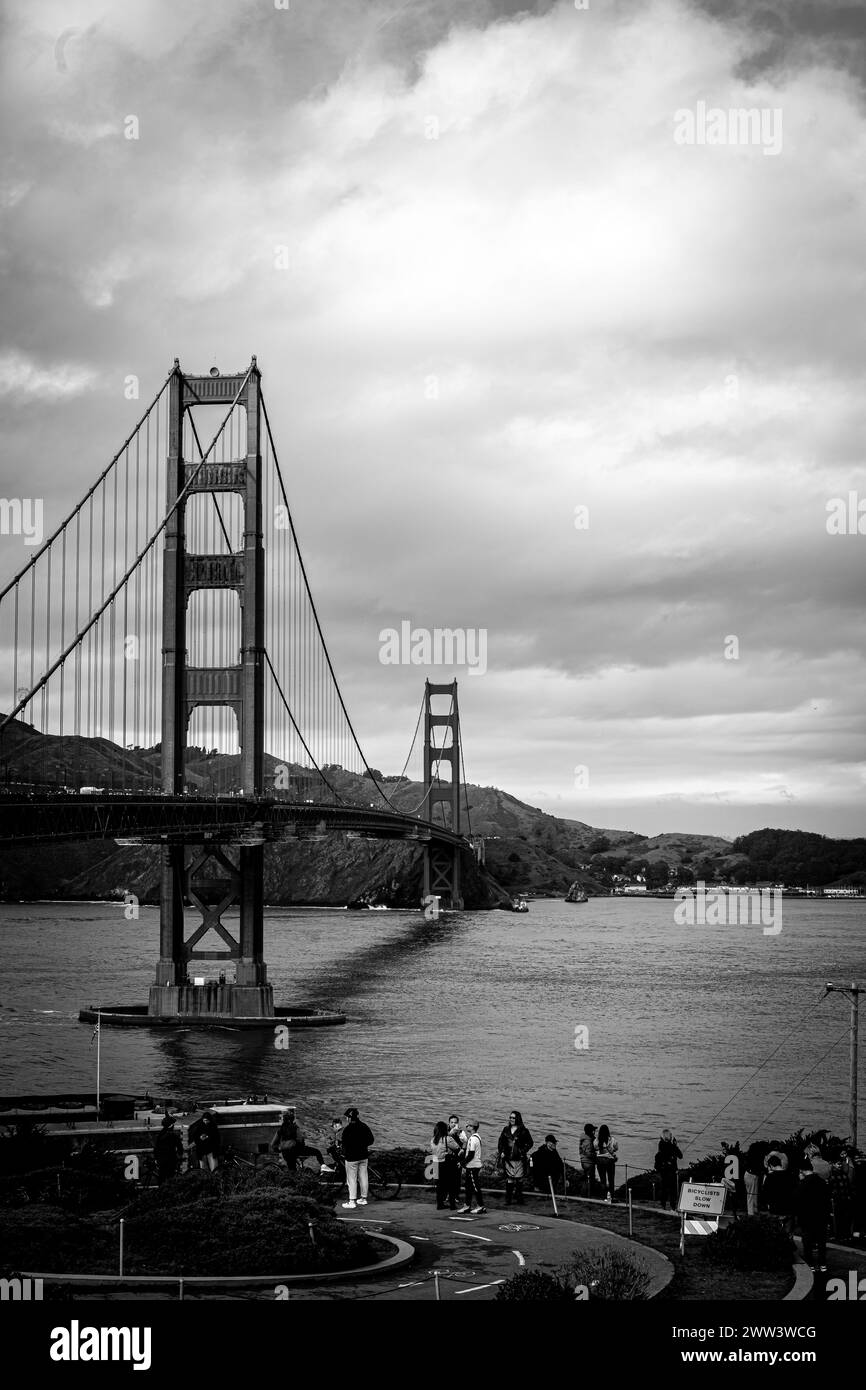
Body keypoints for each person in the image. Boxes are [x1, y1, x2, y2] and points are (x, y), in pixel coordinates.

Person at [795, 1160, 831, 1273]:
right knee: (821, 1242)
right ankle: (822, 1264)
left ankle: (810, 1264)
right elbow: (827, 1200)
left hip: (807, 1217)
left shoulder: (803, 1184)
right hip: (821, 1216)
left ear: (801, 1170)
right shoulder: (822, 1182)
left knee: (807, 1242)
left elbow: (797, 1201)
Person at [341, 1106, 375, 1210]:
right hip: (363, 1156)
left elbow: (344, 1144)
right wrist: (363, 1145)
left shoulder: (347, 1129)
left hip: (351, 1157)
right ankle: (363, 1199)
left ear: (349, 1118)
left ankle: (352, 1201)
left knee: (352, 1179)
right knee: (363, 1177)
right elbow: (371, 1140)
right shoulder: (364, 1126)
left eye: (347, 1117)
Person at [497, 1110, 534, 1205]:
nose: (511, 1119)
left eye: (513, 1118)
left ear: (518, 1118)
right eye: (510, 1117)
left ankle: (519, 1199)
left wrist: (523, 1151)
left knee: (519, 1178)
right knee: (509, 1179)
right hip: (508, 1158)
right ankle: (508, 1200)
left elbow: (530, 1143)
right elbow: (500, 1142)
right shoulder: (505, 1129)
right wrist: (501, 1152)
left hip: (519, 1158)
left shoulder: (524, 1131)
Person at [430, 1121, 460, 1210]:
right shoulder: (447, 1139)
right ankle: (452, 1205)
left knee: (439, 1186)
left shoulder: (433, 1140)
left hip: (436, 1163)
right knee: (451, 1184)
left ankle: (440, 1204)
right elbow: (457, 1148)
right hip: (447, 1164)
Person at [457, 1122, 486, 1214]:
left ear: (473, 1127)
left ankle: (481, 1206)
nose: (466, 1127)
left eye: (468, 1125)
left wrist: (462, 1163)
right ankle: (467, 1206)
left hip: (473, 1166)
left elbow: (471, 1154)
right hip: (471, 1166)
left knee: (475, 1187)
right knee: (468, 1187)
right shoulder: (476, 1137)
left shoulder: (473, 1139)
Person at [763, 1154, 796, 1234]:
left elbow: (765, 1194)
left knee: (775, 1234)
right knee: (788, 1234)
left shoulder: (770, 1178)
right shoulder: (791, 1176)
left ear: (771, 1166)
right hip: (789, 1210)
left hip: (775, 1210)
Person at [829, 1149, 854, 1241]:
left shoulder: (834, 1176)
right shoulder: (842, 1175)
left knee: (840, 1218)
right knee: (842, 1218)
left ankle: (840, 1235)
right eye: (838, 1164)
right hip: (841, 1199)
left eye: (840, 1164)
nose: (839, 1165)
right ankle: (844, 1235)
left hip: (839, 1199)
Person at [654, 1129, 682, 1210]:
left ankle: (663, 1205)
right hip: (672, 1171)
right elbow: (680, 1156)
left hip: (663, 1170)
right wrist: (675, 1145)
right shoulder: (672, 1146)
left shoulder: (661, 1144)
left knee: (664, 1188)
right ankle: (673, 1206)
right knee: (672, 1189)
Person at [153, 1114, 183, 1184]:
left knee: (161, 1178)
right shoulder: (173, 1135)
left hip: (162, 1160)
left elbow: (156, 1147)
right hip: (171, 1159)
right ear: (171, 1125)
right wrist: (180, 1155)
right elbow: (180, 1147)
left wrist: (156, 1158)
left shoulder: (160, 1134)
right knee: (171, 1178)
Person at [595, 1124, 619, 1203]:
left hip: (600, 1160)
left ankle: (604, 1196)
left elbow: (595, 1147)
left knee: (603, 1179)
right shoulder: (612, 1139)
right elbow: (616, 1148)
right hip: (609, 1161)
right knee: (611, 1179)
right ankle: (611, 1196)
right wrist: (612, 1150)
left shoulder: (597, 1140)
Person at [743, 1142, 766, 1216]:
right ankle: (751, 1213)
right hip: (752, 1176)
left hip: (748, 1175)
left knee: (752, 1195)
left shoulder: (750, 1156)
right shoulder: (757, 1159)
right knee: (751, 1195)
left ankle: (754, 1211)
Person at [579, 1123, 597, 1197]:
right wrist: (596, 1155)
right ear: (590, 1131)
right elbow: (588, 1153)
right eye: (593, 1130)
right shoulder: (588, 1141)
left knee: (586, 1177)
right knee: (589, 1179)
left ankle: (585, 1194)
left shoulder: (583, 1138)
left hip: (583, 1160)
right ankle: (586, 1195)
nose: (594, 1132)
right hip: (588, 1162)